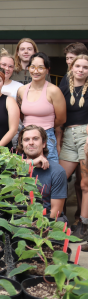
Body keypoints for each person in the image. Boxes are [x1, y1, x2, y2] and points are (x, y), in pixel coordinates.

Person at [57, 55, 88, 239]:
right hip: (68, 135)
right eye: (78, 66)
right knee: (60, 178)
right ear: (72, 67)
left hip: (86, 135)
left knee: (85, 183)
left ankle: (84, 225)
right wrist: (59, 140)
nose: (81, 70)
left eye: (85, 67)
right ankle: (56, 220)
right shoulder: (63, 88)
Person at [17, 52, 66, 162]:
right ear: (28, 68)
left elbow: (62, 119)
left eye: (40, 68)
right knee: (24, 173)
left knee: (49, 171)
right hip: (26, 135)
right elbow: (21, 115)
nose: (36, 71)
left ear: (47, 70)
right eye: (32, 67)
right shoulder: (21, 90)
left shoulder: (54, 91)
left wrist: (45, 126)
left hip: (46, 136)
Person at [17, 125, 67, 220]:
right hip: (19, 220)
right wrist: (32, 162)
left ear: (44, 143)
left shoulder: (57, 171)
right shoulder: (14, 167)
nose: (31, 143)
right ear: (22, 145)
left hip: (46, 222)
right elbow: (4, 162)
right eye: (26, 140)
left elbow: (56, 211)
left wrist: (34, 227)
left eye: (35, 139)